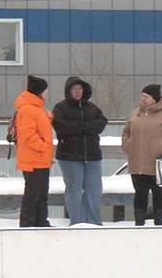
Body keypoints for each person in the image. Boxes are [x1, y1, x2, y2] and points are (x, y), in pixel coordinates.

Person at [52, 75, 108, 225]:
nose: (77, 92)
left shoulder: (92, 108)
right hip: (69, 156)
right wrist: (85, 127)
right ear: (68, 91)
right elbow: (61, 127)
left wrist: (78, 127)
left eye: (79, 89)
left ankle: (94, 222)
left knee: (94, 191)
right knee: (74, 190)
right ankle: (76, 222)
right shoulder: (60, 108)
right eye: (74, 89)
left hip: (92, 156)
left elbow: (102, 123)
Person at [123, 84, 162, 226]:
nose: (142, 99)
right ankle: (139, 222)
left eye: (146, 96)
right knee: (139, 194)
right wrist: (127, 145)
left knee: (159, 194)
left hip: (158, 164)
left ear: (154, 98)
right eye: (142, 96)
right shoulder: (134, 113)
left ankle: (159, 222)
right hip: (137, 163)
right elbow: (126, 132)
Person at [14, 75, 54, 227]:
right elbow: (28, 135)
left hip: (40, 160)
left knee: (41, 194)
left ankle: (40, 221)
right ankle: (29, 223)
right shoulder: (29, 109)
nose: (47, 93)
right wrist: (44, 148)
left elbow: (39, 129)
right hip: (34, 160)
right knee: (34, 194)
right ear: (39, 91)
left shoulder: (37, 109)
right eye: (45, 90)